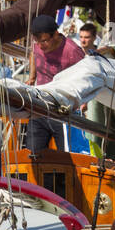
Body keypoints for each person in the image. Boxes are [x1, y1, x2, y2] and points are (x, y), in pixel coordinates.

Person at [26, 14, 85, 154]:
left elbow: (85, 77)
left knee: (66, 157)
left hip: (63, 111)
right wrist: (32, 76)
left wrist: (83, 103)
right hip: (39, 109)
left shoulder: (72, 51)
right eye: (37, 41)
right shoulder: (37, 46)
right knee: (32, 155)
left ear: (56, 34)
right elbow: (33, 53)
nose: (40, 45)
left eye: (44, 41)